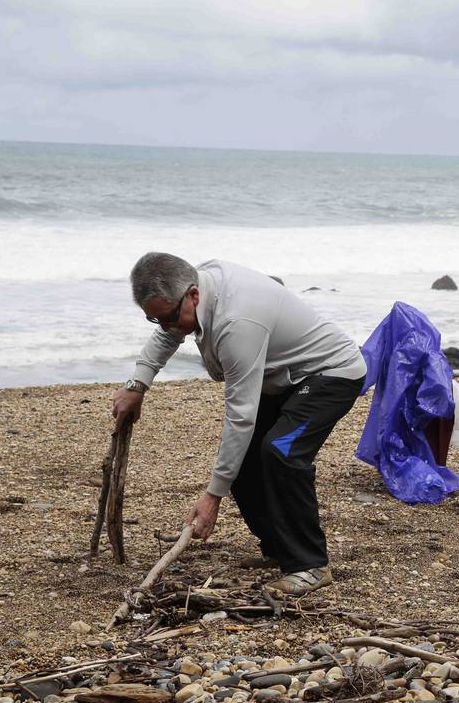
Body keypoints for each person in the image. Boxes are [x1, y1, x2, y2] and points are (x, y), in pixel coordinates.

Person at [111, 253, 367, 597]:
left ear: (193, 295)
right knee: (244, 461)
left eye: (169, 317)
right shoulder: (189, 291)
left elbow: (241, 415)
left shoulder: (237, 321)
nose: (166, 327)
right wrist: (137, 385)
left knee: (281, 452)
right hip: (280, 378)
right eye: (154, 319)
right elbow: (167, 333)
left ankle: (309, 565)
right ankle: (280, 547)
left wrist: (212, 496)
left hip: (331, 373)